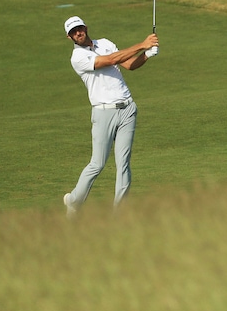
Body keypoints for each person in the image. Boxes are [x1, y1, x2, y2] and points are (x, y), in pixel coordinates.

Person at [62, 15, 159, 217]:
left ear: (86, 27)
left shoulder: (105, 43)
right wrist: (143, 44)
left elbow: (129, 64)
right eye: (73, 32)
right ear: (69, 37)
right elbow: (111, 60)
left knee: (123, 163)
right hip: (103, 112)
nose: (78, 33)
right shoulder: (77, 58)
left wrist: (147, 55)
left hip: (127, 109)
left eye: (79, 28)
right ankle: (74, 201)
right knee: (97, 163)